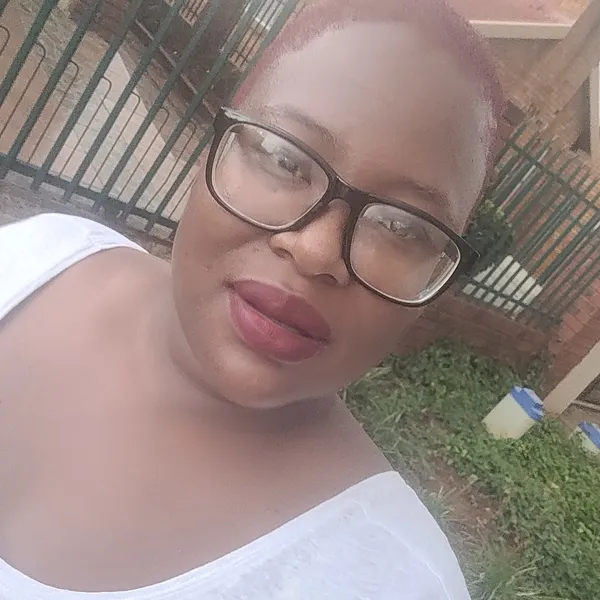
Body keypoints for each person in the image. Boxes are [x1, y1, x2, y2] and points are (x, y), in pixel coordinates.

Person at [0, 0, 504, 597]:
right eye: (286, 160)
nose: (315, 251)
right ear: (212, 146)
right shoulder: (37, 256)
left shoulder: (396, 581)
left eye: (401, 226)